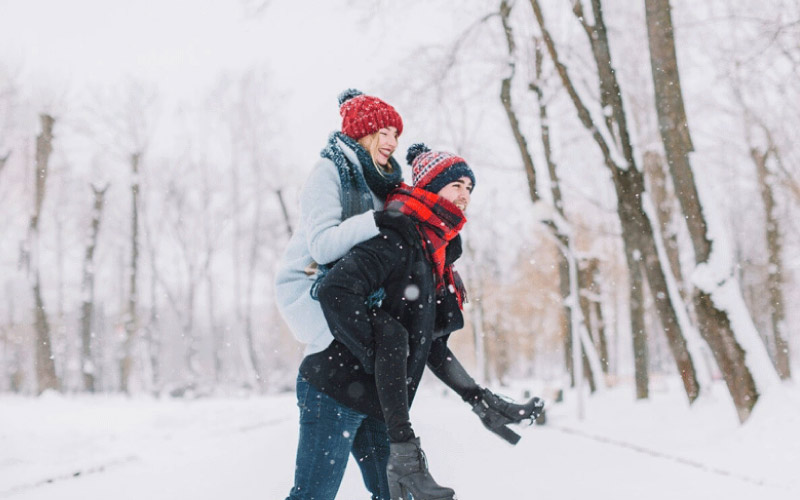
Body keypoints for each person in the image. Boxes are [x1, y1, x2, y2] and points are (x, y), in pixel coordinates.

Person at [311, 144, 545, 500]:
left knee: (394, 495)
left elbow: (430, 345)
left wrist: (479, 399)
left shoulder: (435, 255)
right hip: (336, 391)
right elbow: (334, 289)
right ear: (431, 187)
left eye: (469, 187)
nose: (465, 194)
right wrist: (378, 344)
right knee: (312, 496)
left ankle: (409, 458)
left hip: (377, 401)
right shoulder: (396, 239)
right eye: (456, 185)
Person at [275, 88, 408, 500]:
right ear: (362, 133)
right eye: (383, 132)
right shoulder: (329, 173)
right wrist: (379, 220)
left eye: (396, 135)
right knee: (314, 494)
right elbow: (323, 248)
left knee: (396, 491)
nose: (391, 142)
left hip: (364, 360)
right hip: (328, 340)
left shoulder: (386, 184)